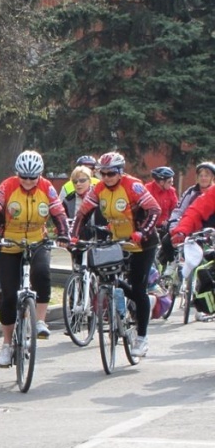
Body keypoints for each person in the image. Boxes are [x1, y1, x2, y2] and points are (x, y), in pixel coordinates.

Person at [0, 150, 70, 368]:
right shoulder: (7, 186)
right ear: (17, 174)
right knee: (9, 297)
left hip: (37, 240)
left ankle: (40, 321)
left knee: (42, 274)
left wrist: (64, 234)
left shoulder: (47, 187)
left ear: (39, 175)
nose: (28, 182)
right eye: (24, 177)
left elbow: (59, 214)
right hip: (8, 243)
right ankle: (7, 344)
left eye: (33, 177)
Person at [70, 151, 161, 357]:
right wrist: (74, 237)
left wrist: (142, 233)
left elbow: (154, 210)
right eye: (103, 173)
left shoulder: (133, 186)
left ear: (120, 172)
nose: (107, 177)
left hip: (142, 244)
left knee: (138, 289)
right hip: (118, 240)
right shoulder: (99, 189)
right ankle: (128, 303)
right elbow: (82, 214)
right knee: (107, 279)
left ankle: (142, 338)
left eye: (111, 173)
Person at [146, 166, 177, 267]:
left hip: (165, 226)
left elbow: (176, 209)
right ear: (161, 182)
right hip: (149, 226)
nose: (172, 184)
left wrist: (169, 221)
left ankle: (171, 264)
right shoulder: (147, 189)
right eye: (169, 181)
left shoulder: (171, 191)